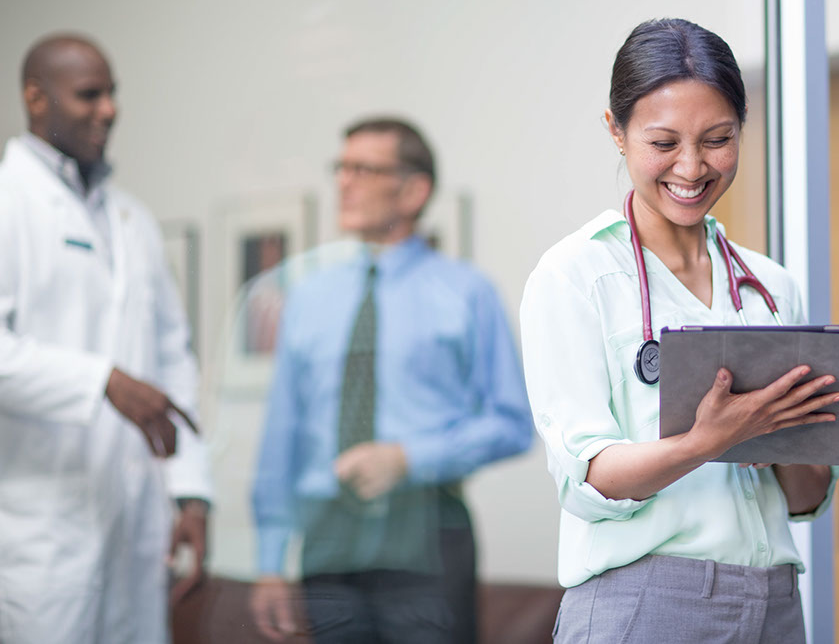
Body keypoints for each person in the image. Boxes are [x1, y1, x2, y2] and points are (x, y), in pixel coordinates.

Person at [520, 18, 839, 643]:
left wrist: (777, 434)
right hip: (645, 599)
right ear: (616, 132)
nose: (693, 168)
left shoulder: (771, 288)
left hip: (775, 601)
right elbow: (585, 477)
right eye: (663, 142)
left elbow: (805, 498)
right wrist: (707, 441)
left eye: (718, 139)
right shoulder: (576, 277)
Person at [250, 117, 533, 643]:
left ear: (413, 190)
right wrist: (268, 561)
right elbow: (281, 435)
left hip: (429, 531)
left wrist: (407, 459)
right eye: (341, 167)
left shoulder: (466, 293)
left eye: (363, 169)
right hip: (327, 541)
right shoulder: (308, 299)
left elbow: (512, 424)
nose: (343, 182)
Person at [0, 34, 213, 643]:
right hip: (43, 529)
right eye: (89, 95)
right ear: (35, 98)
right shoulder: (8, 203)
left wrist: (191, 491)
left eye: (113, 94)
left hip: (137, 519)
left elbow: (174, 358)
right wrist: (102, 382)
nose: (110, 110)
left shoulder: (133, 219)